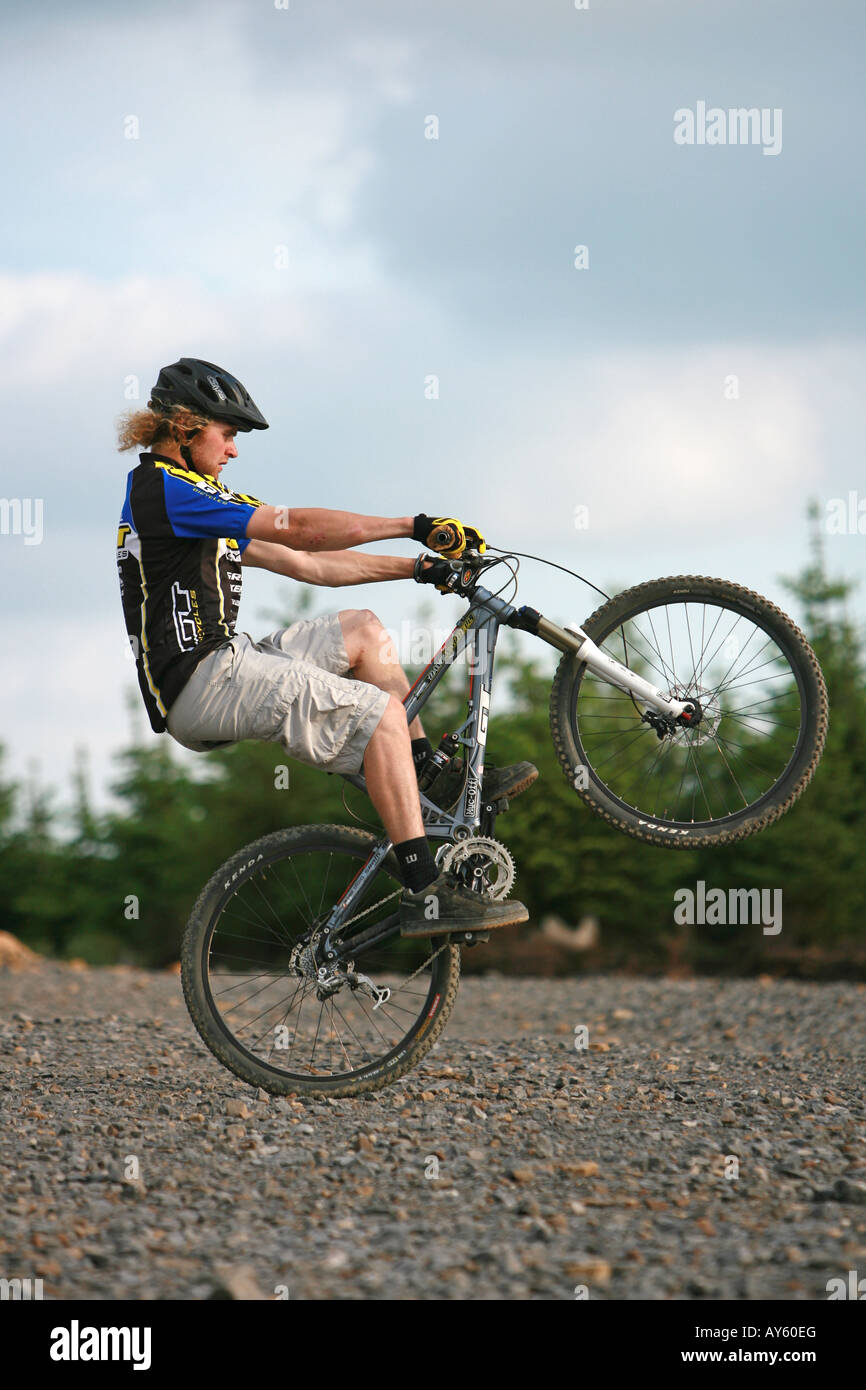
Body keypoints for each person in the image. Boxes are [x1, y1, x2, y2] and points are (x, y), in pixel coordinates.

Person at [115, 357, 538, 937]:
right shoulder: (167, 490)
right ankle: (425, 892)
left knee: (362, 630)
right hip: (205, 682)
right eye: (228, 434)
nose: (234, 451)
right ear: (186, 426)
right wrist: (410, 523)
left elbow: (311, 563)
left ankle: (427, 780)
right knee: (383, 714)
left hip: (225, 665)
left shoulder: (189, 498)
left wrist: (420, 567)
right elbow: (301, 530)